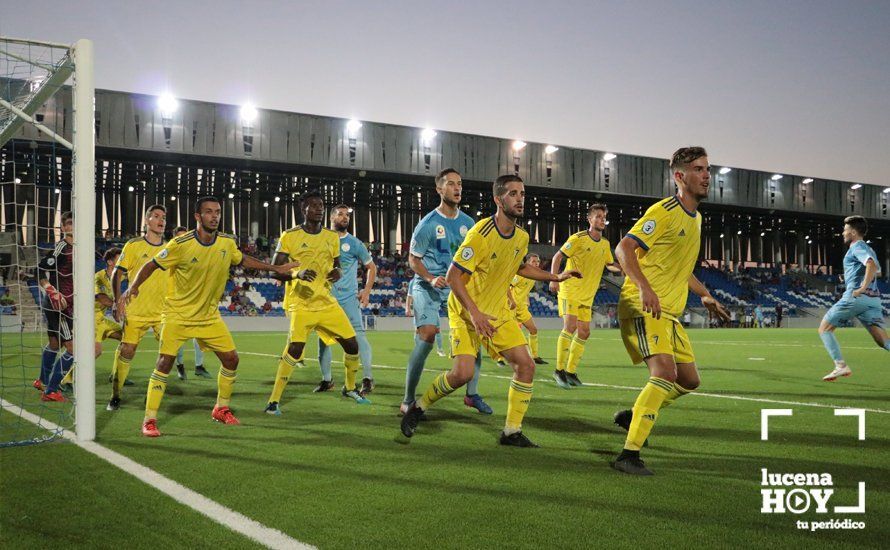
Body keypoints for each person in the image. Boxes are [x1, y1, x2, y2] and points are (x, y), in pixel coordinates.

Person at [400, 174, 581, 447]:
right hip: (465, 311)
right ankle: (419, 407)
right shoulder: (480, 233)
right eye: (512, 194)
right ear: (498, 199)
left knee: (526, 366)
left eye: (522, 193)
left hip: (497, 313)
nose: (520, 198)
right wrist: (473, 313)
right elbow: (453, 277)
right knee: (462, 374)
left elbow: (519, 266)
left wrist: (555, 277)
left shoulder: (521, 236)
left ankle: (511, 431)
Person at [119, 196, 298, 437]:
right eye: (208, 212)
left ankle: (221, 408)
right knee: (164, 363)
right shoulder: (180, 244)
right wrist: (133, 287)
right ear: (197, 216)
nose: (214, 216)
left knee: (232, 360)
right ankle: (149, 419)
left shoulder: (226, 242)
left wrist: (275, 269)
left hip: (209, 317)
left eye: (217, 212)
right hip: (177, 315)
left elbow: (242, 259)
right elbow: (151, 264)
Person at [611, 146, 729, 475]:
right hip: (643, 304)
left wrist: (705, 295)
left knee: (689, 380)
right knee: (663, 373)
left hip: (669, 312)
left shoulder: (696, 218)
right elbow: (624, 248)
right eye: (698, 169)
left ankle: (634, 417)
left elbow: (681, 268)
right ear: (679, 177)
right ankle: (628, 455)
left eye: (707, 168)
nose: (706, 175)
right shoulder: (664, 211)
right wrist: (645, 288)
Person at [265, 190, 368, 415]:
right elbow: (275, 270)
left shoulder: (331, 237)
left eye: (321, 205)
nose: (319, 209)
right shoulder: (289, 236)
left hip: (326, 302)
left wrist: (336, 272)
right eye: (314, 205)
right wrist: (296, 275)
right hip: (300, 303)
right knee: (295, 349)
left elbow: (337, 265)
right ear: (304, 209)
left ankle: (350, 388)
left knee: (352, 345)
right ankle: (273, 401)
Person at [402, 168, 491, 416]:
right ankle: (408, 399)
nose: (457, 188)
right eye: (451, 184)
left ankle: (471, 394)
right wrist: (430, 278)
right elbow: (412, 259)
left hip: (456, 286)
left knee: (476, 334)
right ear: (440, 189)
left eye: (459, 184)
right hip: (429, 286)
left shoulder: (468, 224)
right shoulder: (428, 224)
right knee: (428, 335)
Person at [550, 204, 622, 388]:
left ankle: (571, 371)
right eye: (597, 216)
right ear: (589, 219)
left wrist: (623, 269)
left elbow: (609, 265)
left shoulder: (605, 244)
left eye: (603, 217)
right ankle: (558, 371)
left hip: (587, 295)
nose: (601, 220)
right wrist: (554, 279)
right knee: (570, 327)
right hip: (570, 289)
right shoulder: (578, 238)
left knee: (584, 332)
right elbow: (557, 257)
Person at [107, 205, 170, 411]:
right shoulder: (133, 246)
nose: (161, 220)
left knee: (168, 353)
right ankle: (115, 394)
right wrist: (118, 302)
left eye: (164, 217)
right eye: (156, 216)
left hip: (163, 312)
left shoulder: (170, 247)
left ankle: (153, 393)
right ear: (146, 221)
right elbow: (117, 273)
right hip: (136, 311)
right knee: (127, 350)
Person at [315, 204, 377, 395]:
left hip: (348, 298)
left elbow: (371, 267)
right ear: (331, 218)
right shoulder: (321, 239)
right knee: (323, 341)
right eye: (340, 214)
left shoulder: (355, 243)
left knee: (359, 336)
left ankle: (367, 379)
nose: (345, 218)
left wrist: (366, 291)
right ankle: (327, 380)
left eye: (347, 215)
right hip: (326, 299)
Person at [818, 215, 889, 381]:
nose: (843, 233)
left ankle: (840, 366)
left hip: (857, 297)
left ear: (854, 232)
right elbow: (877, 270)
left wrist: (861, 287)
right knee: (884, 341)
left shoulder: (856, 246)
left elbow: (870, 265)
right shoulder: (868, 248)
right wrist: (851, 278)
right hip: (873, 301)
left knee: (824, 329)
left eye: (845, 229)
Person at [34, 212, 75, 402]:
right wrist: (51, 290)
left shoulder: (82, 248)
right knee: (73, 349)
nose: (72, 226)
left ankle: (42, 381)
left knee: (54, 344)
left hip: (66, 304)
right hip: (60, 306)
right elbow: (40, 270)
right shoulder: (62, 247)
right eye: (68, 223)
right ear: (63, 227)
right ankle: (50, 390)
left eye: (75, 222)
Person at [170, 226, 206, 381]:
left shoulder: (197, 254)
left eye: (186, 236)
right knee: (178, 340)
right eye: (180, 237)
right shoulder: (170, 255)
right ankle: (180, 366)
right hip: (177, 303)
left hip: (195, 303)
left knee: (200, 336)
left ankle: (199, 366)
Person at [507, 253, 547, 364]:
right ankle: (501, 357)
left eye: (538, 261)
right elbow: (507, 286)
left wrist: (527, 301)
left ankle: (534, 356)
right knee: (511, 333)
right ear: (527, 262)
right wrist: (511, 301)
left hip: (522, 307)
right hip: (510, 306)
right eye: (534, 261)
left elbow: (525, 290)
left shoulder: (533, 275)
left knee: (533, 330)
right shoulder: (521, 274)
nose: (536, 263)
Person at [93, 248, 124, 359]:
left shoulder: (119, 276)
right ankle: (69, 376)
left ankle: (116, 376)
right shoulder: (99, 277)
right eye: (119, 259)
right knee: (96, 352)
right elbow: (102, 299)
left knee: (125, 338)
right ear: (110, 262)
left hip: (102, 319)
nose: (122, 260)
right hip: (92, 320)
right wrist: (120, 307)